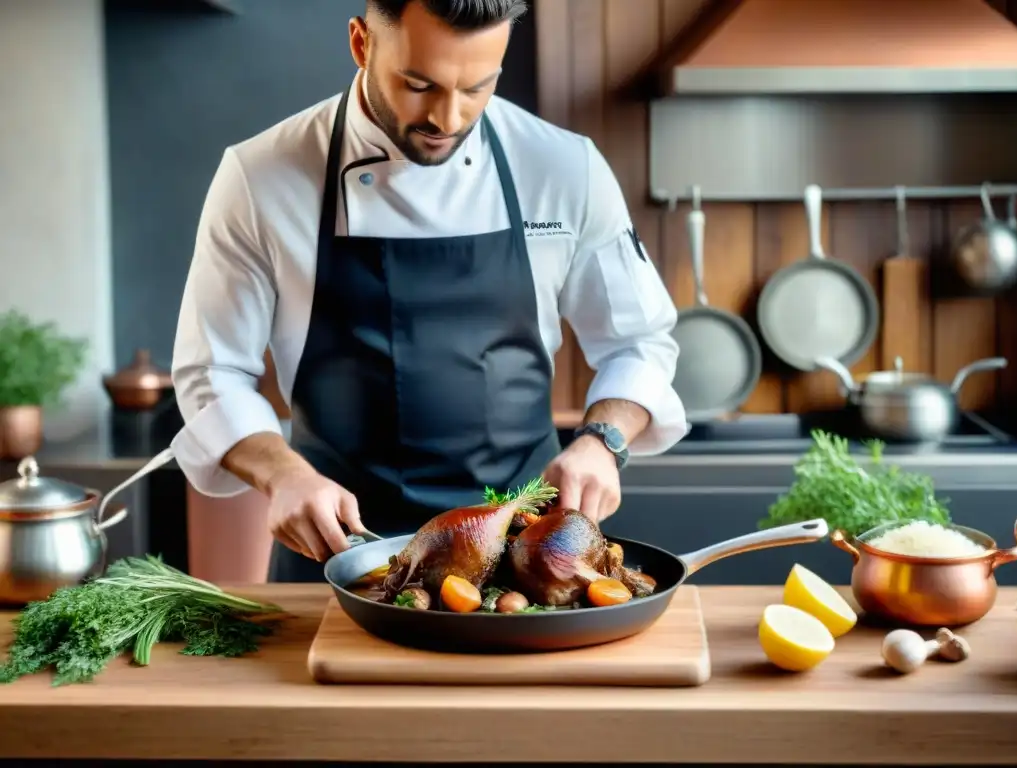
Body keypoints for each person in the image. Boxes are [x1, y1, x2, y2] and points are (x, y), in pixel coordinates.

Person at [170, 0, 689, 583]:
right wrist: (281, 475)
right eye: (419, 85)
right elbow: (211, 372)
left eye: (478, 87)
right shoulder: (261, 176)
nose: (448, 118)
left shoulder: (562, 167)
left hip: (529, 562)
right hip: (342, 556)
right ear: (361, 44)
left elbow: (639, 342)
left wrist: (601, 441)